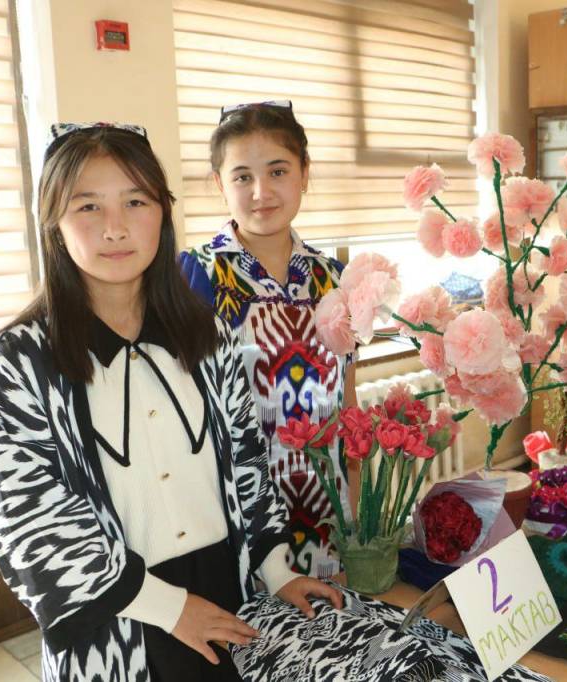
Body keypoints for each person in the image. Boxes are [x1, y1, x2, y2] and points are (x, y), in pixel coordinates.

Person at [0, 123, 340, 681]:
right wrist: (168, 608)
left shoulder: (207, 334)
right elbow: (23, 515)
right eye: (88, 206)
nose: (115, 227)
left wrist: (278, 572)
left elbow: (247, 462)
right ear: (53, 222)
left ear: (163, 213)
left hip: (230, 598)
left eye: (136, 201)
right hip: (116, 617)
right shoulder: (24, 358)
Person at [180, 101, 358, 579]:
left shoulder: (332, 277)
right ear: (219, 184)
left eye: (278, 171)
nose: (261, 192)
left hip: (327, 505)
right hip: (240, 511)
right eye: (242, 177)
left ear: (304, 173)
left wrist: (358, 510)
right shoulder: (197, 275)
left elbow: (348, 398)